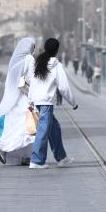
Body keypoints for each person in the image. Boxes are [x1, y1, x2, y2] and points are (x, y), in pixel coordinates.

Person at [28, 38, 78, 169]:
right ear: (56, 50)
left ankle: (61, 158)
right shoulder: (56, 65)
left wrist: (30, 100)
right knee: (43, 131)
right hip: (46, 103)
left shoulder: (40, 62)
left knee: (54, 128)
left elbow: (33, 83)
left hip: (38, 101)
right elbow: (64, 87)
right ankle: (36, 160)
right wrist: (73, 103)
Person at [0, 37, 36, 166]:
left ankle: (9, 150)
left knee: (12, 126)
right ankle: (24, 155)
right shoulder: (29, 59)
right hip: (24, 97)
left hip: (11, 99)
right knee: (28, 128)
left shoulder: (14, 60)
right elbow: (30, 78)